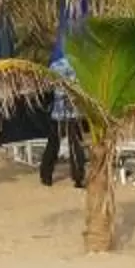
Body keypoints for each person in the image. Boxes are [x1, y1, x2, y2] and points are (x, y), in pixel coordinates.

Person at [40, 54, 85, 189]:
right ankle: (78, 178)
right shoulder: (80, 65)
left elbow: (48, 88)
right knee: (75, 143)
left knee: (54, 142)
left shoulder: (55, 65)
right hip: (74, 109)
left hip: (58, 109)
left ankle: (46, 176)